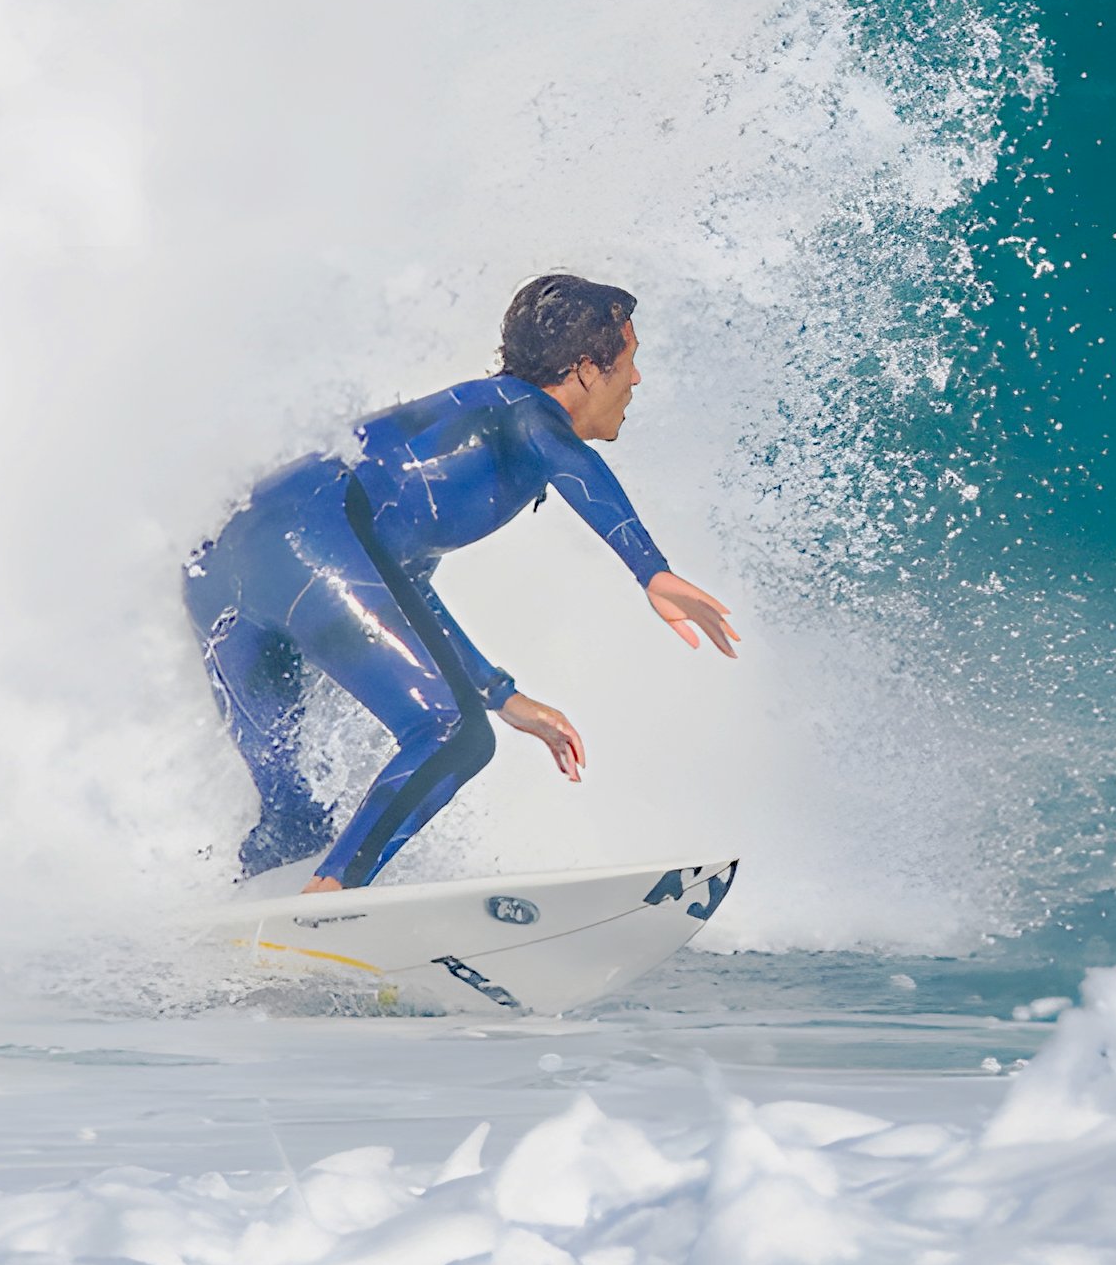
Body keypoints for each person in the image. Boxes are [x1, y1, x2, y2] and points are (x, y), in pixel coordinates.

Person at [182, 274, 741, 889]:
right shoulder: (527, 416)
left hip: (223, 563)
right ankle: (327, 903)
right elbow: (570, 460)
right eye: (629, 362)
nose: (635, 381)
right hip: (308, 543)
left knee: (294, 818)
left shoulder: (468, 426)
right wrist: (651, 570)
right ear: (586, 368)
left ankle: (235, 923)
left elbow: (393, 586)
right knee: (451, 736)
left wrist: (500, 695)